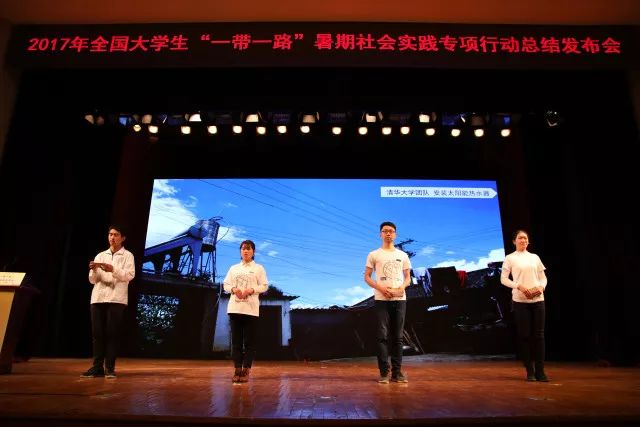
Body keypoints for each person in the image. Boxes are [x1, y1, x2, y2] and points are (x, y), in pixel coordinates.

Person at [81, 225, 135, 379]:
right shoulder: (100, 255)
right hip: (98, 297)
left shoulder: (128, 256)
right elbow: (92, 280)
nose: (112, 237)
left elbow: (129, 276)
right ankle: (97, 367)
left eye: (116, 235)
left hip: (116, 299)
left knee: (112, 334)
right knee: (97, 334)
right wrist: (93, 270)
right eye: (110, 234)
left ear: (123, 238)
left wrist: (113, 270)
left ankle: (109, 368)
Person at [364, 221, 412, 384]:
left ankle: (397, 373)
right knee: (382, 337)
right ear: (380, 234)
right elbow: (367, 277)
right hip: (381, 299)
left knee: (398, 337)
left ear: (395, 234)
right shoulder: (374, 254)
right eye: (385, 231)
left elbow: (408, 278)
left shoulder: (402, 255)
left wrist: (401, 289)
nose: (388, 233)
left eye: (391, 231)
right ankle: (384, 373)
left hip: (399, 299)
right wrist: (381, 288)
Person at [500, 229, 549, 382]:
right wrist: (518, 286)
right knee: (525, 336)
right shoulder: (510, 258)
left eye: (525, 238)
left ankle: (540, 371)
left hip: (538, 300)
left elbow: (543, 277)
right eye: (520, 238)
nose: (523, 240)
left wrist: (541, 287)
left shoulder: (535, 257)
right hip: (520, 301)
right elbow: (503, 279)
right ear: (514, 241)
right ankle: (530, 371)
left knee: (539, 336)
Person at [223, 240, 269, 384]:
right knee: (236, 342)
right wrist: (233, 289)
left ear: (253, 252)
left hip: (251, 310)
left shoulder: (258, 268)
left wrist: (252, 289)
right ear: (240, 251)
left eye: (249, 249)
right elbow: (226, 284)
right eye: (243, 248)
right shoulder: (234, 268)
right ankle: (237, 369)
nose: (246, 251)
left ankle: (246, 370)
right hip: (235, 309)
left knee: (249, 342)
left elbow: (264, 286)